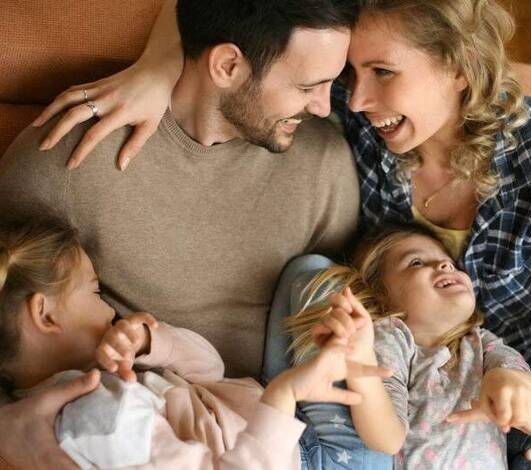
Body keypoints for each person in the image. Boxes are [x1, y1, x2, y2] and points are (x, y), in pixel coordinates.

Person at [39, 0, 531, 466]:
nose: (357, 99)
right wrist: (158, 68)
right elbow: (227, 20)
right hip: (391, 376)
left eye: (383, 73)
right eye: (351, 72)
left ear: (459, 64)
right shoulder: (360, 116)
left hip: (515, 382)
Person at [0, 0, 362, 468]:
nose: (325, 107)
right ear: (227, 65)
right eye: (307, 86)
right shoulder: (67, 159)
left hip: (292, 430)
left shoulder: (325, 166)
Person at [0, 217, 390, 469]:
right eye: (95, 292)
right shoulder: (102, 418)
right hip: (316, 459)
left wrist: (152, 342)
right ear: (45, 315)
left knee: (308, 274)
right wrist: (284, 395)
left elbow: (212, 371)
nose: (109, 309)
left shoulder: (93, 382)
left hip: (277, 420)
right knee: (335, 305)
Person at [285, 222, 531, 468]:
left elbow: (518, 374)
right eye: (417, 262)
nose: (444, 265)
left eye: (450, 263)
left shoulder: (482, 343)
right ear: (381, 296)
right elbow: (387, 439)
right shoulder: (393, 338)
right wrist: (361, 361)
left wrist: (509, 381)